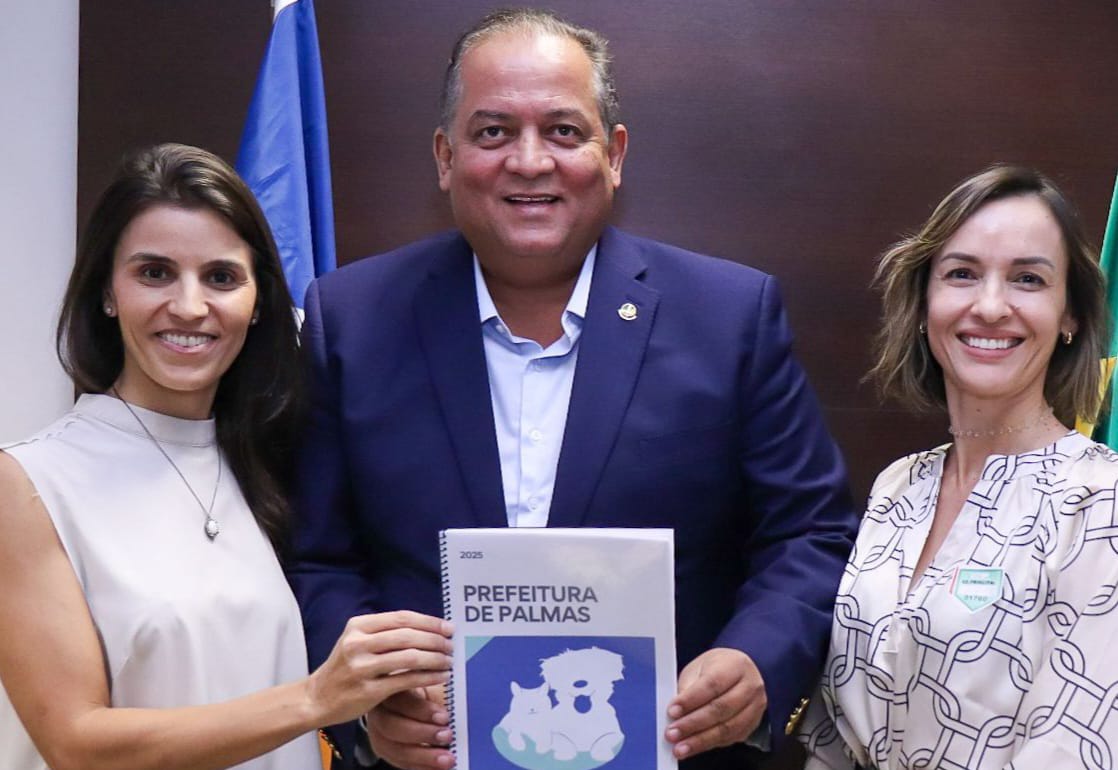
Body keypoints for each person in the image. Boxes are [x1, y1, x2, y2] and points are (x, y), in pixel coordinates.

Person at [289, 9, 858, 770]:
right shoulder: (350, 321)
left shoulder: (730, 318)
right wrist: (364, 710)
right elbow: (319, 558)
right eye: (493, 132)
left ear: (614, 155)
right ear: (445, 157)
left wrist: (756, 661)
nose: (530, 162)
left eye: (563, 131)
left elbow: (809, 535)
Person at [0, 143, 453, 770]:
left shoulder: (279, 464)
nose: (189, 306)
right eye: (154, 272)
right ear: (107, 291)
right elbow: (77, 744)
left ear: (259, 300)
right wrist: (317, 698)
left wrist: (384, 711)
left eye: (220, 277)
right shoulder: (28, 482)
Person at [799, 165, 1116, 769]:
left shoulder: (1102, 503)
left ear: (1071, 315)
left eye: (1027, 279)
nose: (991, 306)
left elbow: (1074, 750)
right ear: (925, 302)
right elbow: (835, 732)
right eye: (962, 274)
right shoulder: (899, 486)